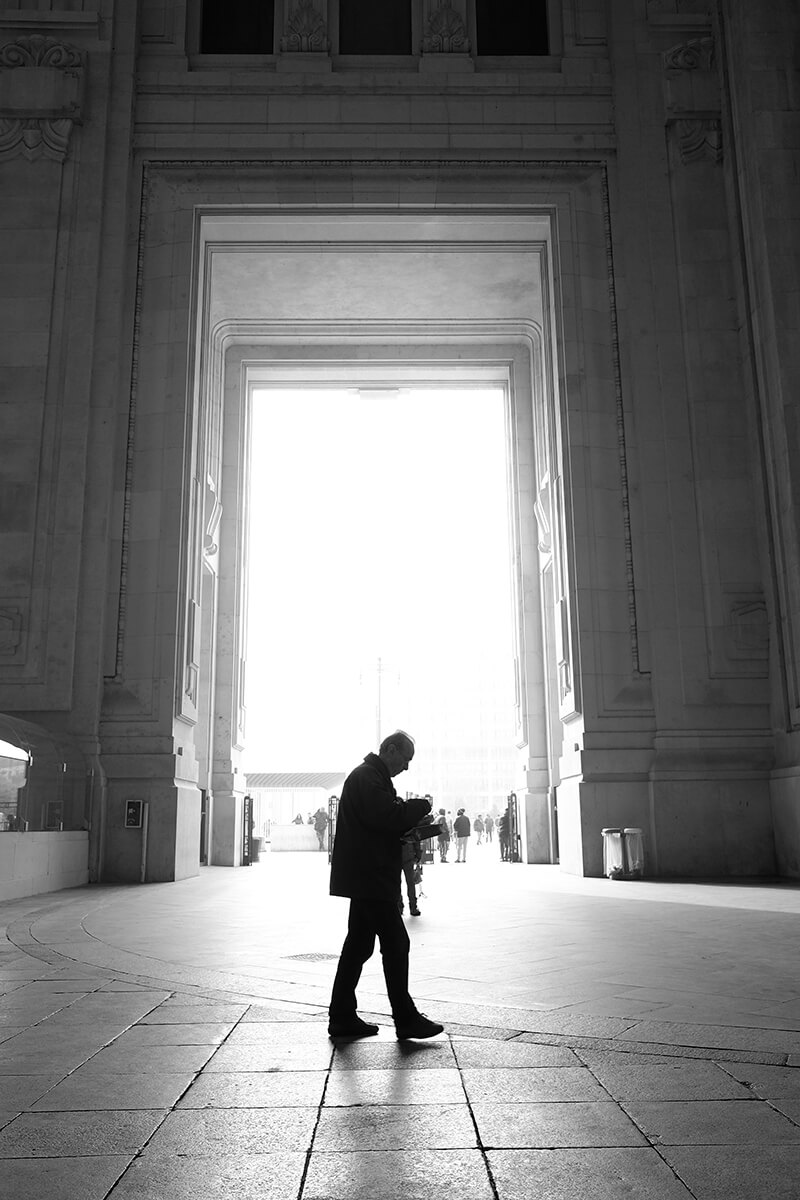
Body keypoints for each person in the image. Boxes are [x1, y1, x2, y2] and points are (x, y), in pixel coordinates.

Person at [328, 730, 444, 1041]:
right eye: (404, 760)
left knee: (359, 945)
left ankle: (341, 1016)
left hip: (368, 875)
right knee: (396, 943)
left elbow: (382, 821)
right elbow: (386, 816)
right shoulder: (368, 777)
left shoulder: (370, 777)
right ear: (390, 750)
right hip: (370, 876)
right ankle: (405, 1018)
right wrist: (419, 806)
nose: (405, 767)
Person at [400, 834, 421, 916]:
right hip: (408, 856)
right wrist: (418, 854)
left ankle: (399, 907)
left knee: (397, 883)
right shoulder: (409, 823)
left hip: (396, 856)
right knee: (410, 883)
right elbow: (416, 837)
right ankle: (413, 907)